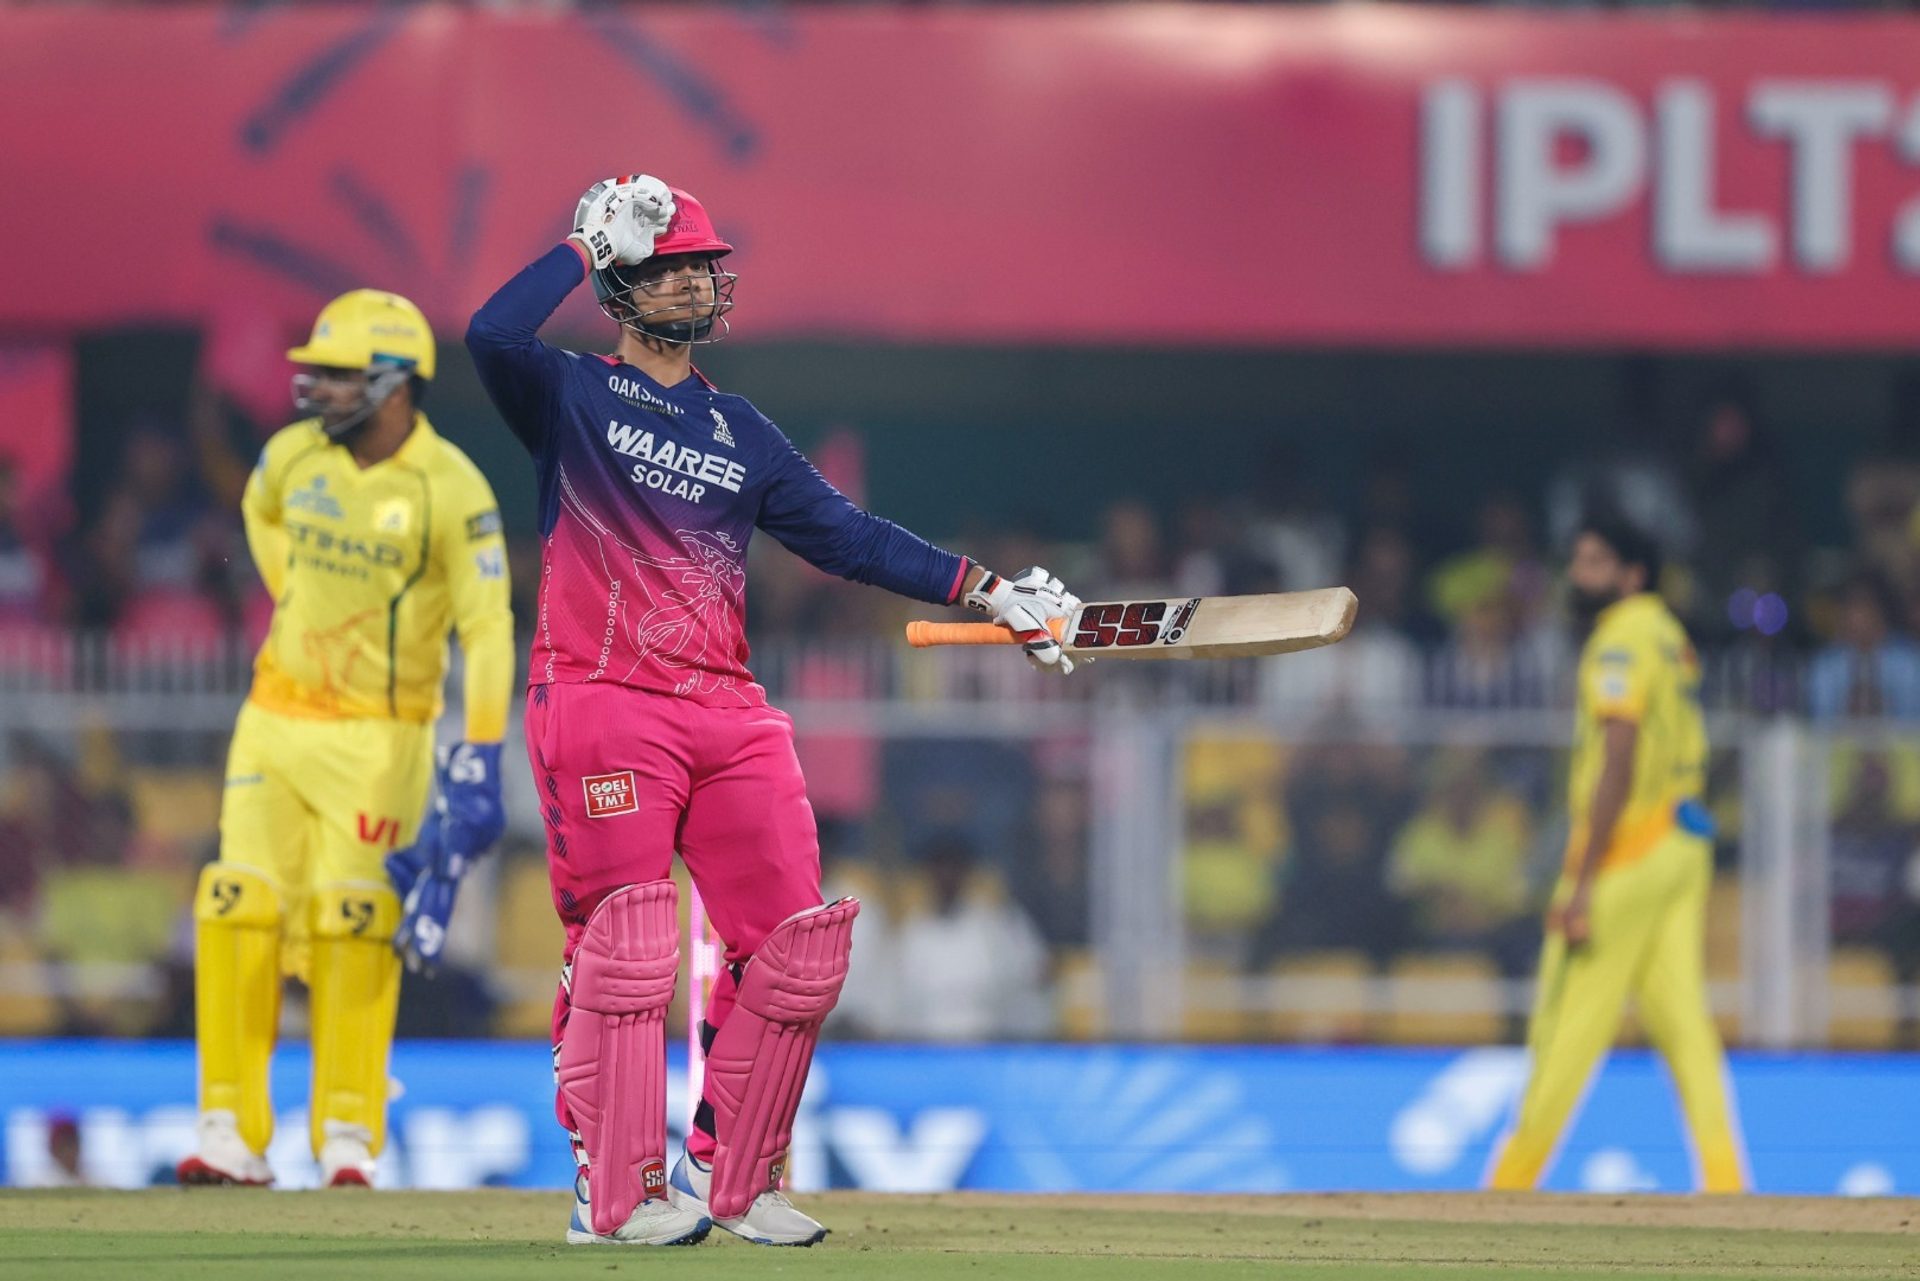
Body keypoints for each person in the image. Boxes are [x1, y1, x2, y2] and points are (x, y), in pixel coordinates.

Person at [466, 174, 1080, 1247]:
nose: (697, 281)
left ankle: (737, 1176)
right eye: (672, 267)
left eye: (705, 267)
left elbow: (849, 537)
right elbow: (490, 334)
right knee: (625, 946)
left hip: (726, 709)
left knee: (795, 947)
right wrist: (581, 245)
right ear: (623, 286)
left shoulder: (737, 429)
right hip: (605, 697)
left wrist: (990, 589)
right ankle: (613, 1196)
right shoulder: (569, 394)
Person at [175, 291, 515, 1188]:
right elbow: (260, 509)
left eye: (337, 374)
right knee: (236, 903)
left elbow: (486, 629)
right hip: (275, 717)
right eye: (315, 371)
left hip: (379, 738)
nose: (315, 388)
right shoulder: (292, 456)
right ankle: (229, 1129)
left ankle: (348, 1135)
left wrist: (481, 750)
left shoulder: (453, 489)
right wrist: (295, 595)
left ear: (397, 384)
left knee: (354, 921)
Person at [1485, 515, 1746, 1192]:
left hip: (1627, 852)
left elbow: (1619, 754)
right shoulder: (1668, 634)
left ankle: (1509, 1183)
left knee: (1567, 1020)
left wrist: (1582, 879)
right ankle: (1726, 1180)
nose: (1579, 574)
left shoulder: (1620, 638)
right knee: (1683, 1021)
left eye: (1596, 562)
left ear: (1633, 574)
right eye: (1578, 559)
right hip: (1681, 841)